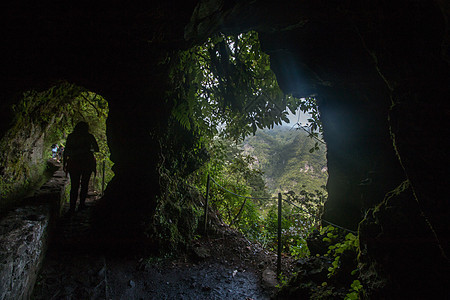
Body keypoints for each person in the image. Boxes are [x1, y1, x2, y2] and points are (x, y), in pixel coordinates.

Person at [63, 121, 99, 214]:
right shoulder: (89, 136)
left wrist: (64, 163)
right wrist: (86, 149)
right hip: (87, 163)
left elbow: (66, 150)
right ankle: (81, 204)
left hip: (74, 163)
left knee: (74, 186)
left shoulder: (71, 136)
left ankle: (72, 207)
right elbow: (97, 149)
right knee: (84, 184)